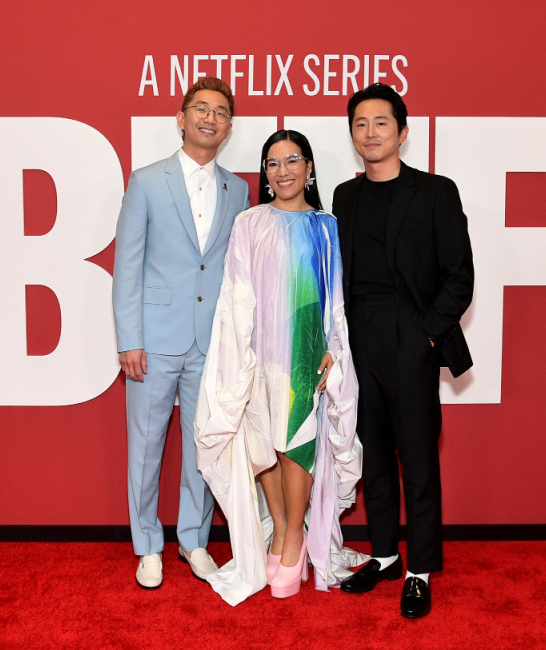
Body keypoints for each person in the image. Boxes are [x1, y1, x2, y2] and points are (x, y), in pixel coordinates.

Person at [195, 130, 364, 605]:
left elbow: (335, 298)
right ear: (265, 174)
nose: (283, 170)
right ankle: (286, 527)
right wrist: (240, 352)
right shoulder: (250, 223)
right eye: (273, 163)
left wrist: (333, 343)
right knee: (260, 444)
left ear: (309, 169)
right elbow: (236, 291)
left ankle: (292, 543)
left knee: (297, 447)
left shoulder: (326, 226)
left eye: (293, 160)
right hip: (258, 350)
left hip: (305, 352)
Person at [332, 83, 474, 619]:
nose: (370, 132)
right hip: (356, 337)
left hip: (409, 336)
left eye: (381, 123)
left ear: (403, 132)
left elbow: (459, 276)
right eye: (360, 124)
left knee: (416, 456)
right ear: (352, 135)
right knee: (371, 453)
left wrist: (425, 335)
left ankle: (420, 569)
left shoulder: (436, 191)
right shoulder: (346, 196)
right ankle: (387, 555)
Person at [112, 77, 250, 589]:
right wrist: (129, 338)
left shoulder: (238, 190)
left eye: (220, 111)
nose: (210, 118)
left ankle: (194, 540)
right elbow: (128, 265)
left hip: (211, 343)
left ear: (229, 126)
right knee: (145, 448)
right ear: (182, 117)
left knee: (205, 448)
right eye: (201, 109)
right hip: (152, 341)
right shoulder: (147, 181)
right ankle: (147, 546)